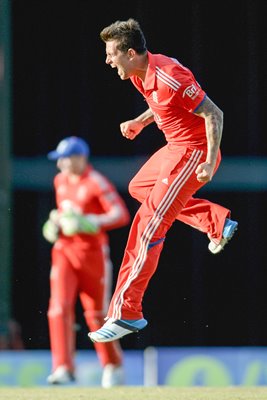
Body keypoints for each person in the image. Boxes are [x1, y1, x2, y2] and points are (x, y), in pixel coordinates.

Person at [88, 18, 238, 344]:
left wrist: (210, 161)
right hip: (173, 149)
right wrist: (141, 123)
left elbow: (214, 114)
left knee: (149, 223)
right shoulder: (140, 73)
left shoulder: (171, 76)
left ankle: (127, 312)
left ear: (130, 53)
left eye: (112, 54)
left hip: (193, 153)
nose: (108, 61)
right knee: (138, 188)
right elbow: (162, 107)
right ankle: (215, 222)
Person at [42, 136, 130, 387]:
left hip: (92, 255)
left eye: (65, 159)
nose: (60, 165)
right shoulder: (60, 181)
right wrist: (54, 224)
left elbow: (119, 214)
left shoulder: (95, 182)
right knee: (58, 307)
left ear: (80, 158)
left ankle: (112, 365)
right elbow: (65, 213)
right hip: (64, 252)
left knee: (97, 315)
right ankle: (62, 367)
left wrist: (91, 221)